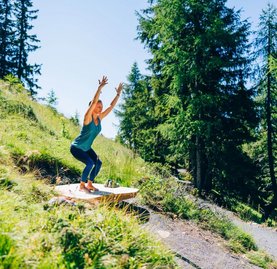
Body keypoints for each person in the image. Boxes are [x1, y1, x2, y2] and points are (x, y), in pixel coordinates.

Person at [70, 76, 123, 192]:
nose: (100, 108)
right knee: (89, 163)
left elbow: (111, 106)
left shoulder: (100, 118)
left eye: (101, 107)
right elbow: (94, 102)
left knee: (98, 163)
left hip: (86, 148)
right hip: (77, 147)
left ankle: (90, 184)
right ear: (92, 107)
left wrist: (118, 94)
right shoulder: (87, 118)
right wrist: (99, 88)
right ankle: (82, 186)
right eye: (98, 107)